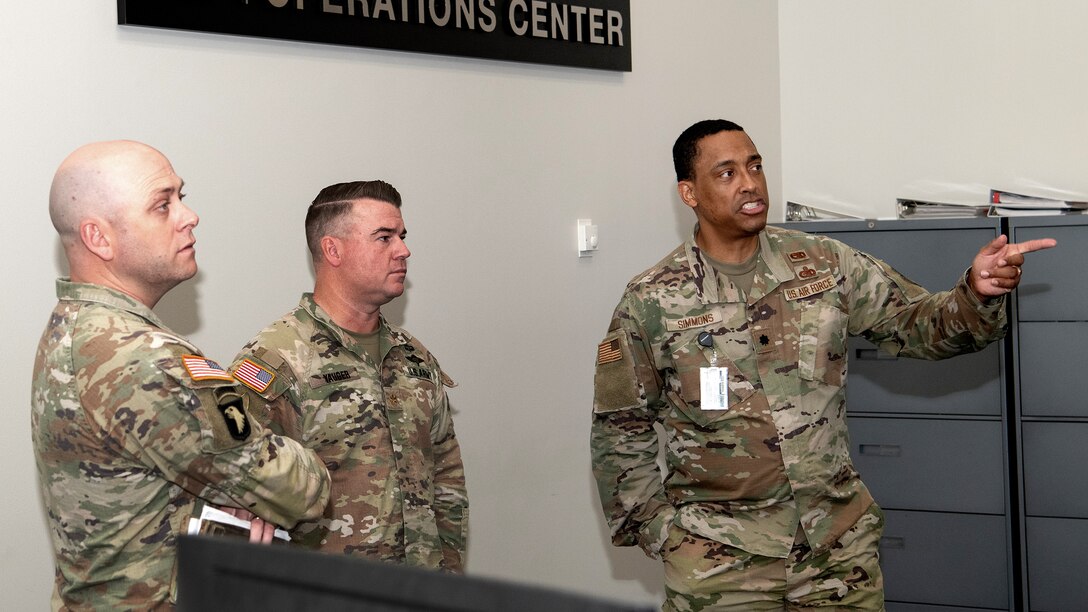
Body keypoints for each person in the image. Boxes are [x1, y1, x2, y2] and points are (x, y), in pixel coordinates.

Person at [590, 119, 1057, 611]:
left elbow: (918, 324)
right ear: (689, 192)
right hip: (719, 566)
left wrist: (976, 293)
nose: (749, 183)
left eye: (755, 166)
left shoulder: (822, 264)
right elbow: (619, 430)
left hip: (837, 554)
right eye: (726, 173)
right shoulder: (652, 300)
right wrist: (663, 533)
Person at [32, 140, 332, 610]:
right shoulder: (142, 359)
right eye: (162, 205)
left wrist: (227, 495)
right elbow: (301, 490)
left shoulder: (75, 327)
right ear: (99, 238)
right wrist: (250, 491)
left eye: (181, 196)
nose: (188, 217)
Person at [230, 180, 468, 572]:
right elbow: (238, 490)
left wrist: (449, 580)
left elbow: (445, 475)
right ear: (333, 249)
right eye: (384, 237)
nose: (403, 250)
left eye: (402, 236)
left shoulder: (413, 355)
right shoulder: (276, 359)